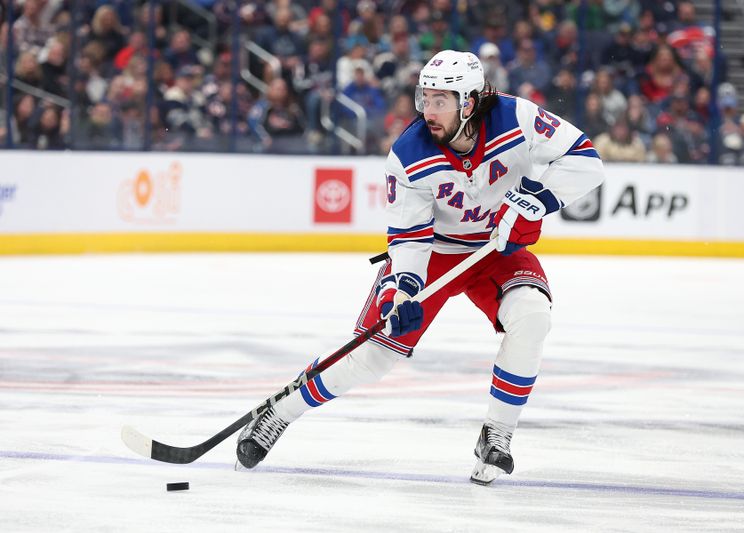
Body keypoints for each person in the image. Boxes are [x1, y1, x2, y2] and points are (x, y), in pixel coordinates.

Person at [236, 50, 604, 485]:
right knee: (371, 358)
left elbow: (586, 161)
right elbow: (410, 240)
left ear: (469, 102)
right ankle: (278, 411)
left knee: (532, 317)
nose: (428, 110)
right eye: (424, 99)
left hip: (494, 252)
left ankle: (496, 435)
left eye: (440, 101)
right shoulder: (409, 153)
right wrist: (401, 293)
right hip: (434, 256)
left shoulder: (517, 117)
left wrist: (536, 200)